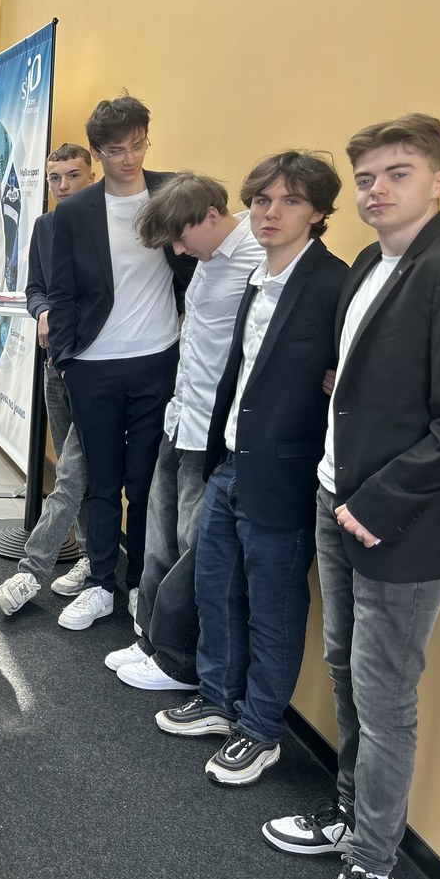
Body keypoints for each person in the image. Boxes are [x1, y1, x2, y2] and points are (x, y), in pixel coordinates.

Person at [261, 115, 440, 879]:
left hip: (397, 526)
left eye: (396, 173)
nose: (377, 190)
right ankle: (348, 816)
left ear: (439, 181)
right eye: (367, 177)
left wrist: (374, 502)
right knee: (342, 669)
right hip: (332, 496)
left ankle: (373, 870)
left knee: (384, 703)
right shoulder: (371, 263)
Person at [154, 152, 346, 788]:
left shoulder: (334, 285)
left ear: (317, 212)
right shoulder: (257, 277)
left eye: (290, 201)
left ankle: (261, 731)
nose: (270, 212)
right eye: (262, 200)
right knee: (214, 588)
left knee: (273, 608)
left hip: (286, 475)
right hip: (230, 460)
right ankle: (216, 700)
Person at [102, 172, 264, 690]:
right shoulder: (209, 256)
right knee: (158, 538)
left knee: (195, 548)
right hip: (181, 417)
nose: (177, 250)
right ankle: (150, 638)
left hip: (214, 431)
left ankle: (179, 660)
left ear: (212, 215)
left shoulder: (259, 257)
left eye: (180, 238)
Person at [46, 94, 195, 632]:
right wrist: (67, 359)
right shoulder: (75, 211)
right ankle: (100, 584)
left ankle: (139, 587)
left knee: (146, 482)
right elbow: (62, 291)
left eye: (138, 146)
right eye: (115, 150)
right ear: (96, 153)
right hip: (93, 364)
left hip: (158, 359)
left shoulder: (173, 192)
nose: (129, 158)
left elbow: (203, 263)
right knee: (102, 483)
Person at [0, 144, 96, 615]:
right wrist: (43, 311)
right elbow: (35, 287)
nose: (64, 185)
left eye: (73, 175)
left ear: (91, 175)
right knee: (79, 473)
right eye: (55, 178)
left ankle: (33, 570)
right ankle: (93, 559)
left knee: (72, 473)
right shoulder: (45, 226)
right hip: (56, 363)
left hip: (98, 369)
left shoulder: (112, 226)